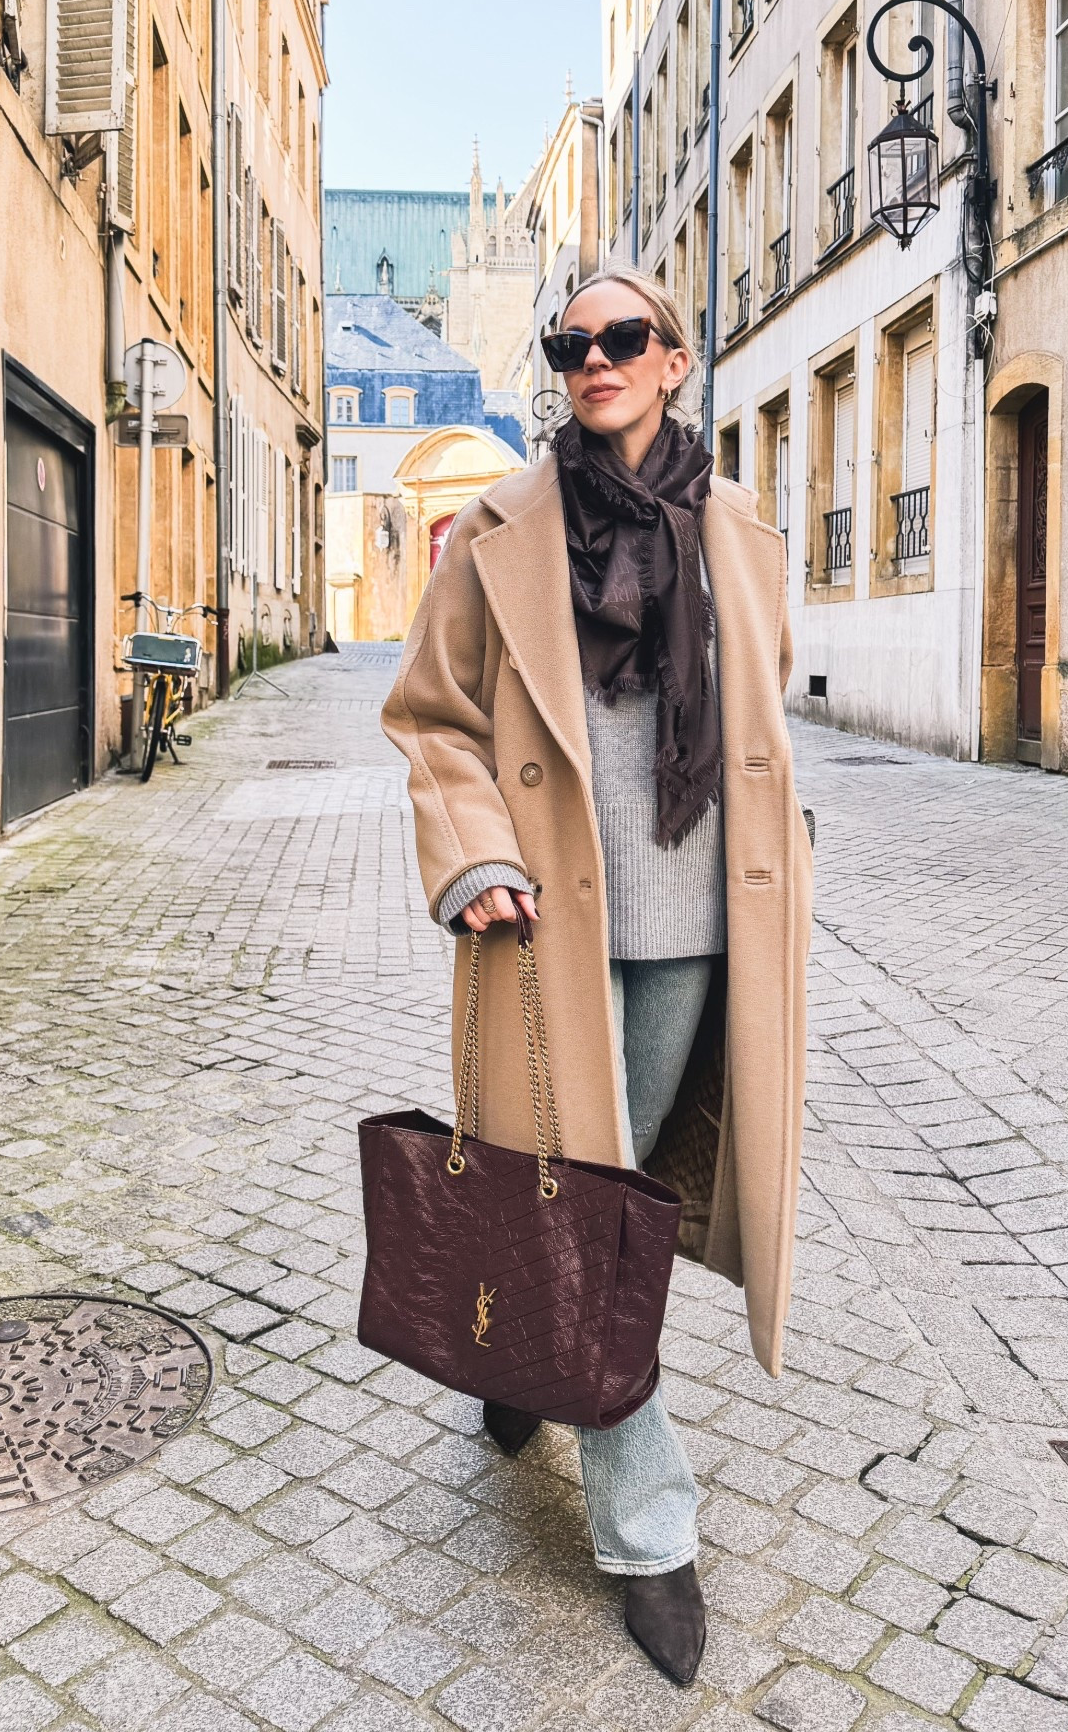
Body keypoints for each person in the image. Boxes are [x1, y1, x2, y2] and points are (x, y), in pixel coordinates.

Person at [381, 267, 811, 1685]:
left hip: (697, 922)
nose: (595, 359)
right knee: (583, 1214)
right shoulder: (498, 529)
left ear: (676, 362)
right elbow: (431, 716)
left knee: (609, 1205)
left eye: (624, 338)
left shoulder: (736, 529)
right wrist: (468, 853)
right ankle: (649, 1528)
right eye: (571, 345)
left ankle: (520, 1370)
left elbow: (760, 706)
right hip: (541, 923)